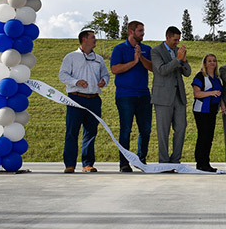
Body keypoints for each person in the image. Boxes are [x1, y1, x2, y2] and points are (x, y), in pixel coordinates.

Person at [58, 30, 109, 173]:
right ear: (84, 40)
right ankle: (70, 165)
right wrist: (76, 82)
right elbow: (62, 75)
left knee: (91, 132)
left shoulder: (98, 58)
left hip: (94, 99)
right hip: (75, 98)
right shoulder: (71, 57)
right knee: (72, 132)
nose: (95, 40)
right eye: (93, 38)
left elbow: (105, 74)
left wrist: (104, 81)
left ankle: (87, 164)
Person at [110, 20, 153, 173]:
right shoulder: (119, 49)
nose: (143, 33)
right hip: (125, 96)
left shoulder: (147, 49)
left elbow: (152, 68)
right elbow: (115, 69)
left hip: (144, 95)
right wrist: (134, 61)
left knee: (146, 130)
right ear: (131, 32)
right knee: (125, 130)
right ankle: (124, 163)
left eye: (143, 30)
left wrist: (141, 57)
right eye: (140, 31)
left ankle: (141, 161)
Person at [151, 26, 191, 165]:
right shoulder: (156, 51)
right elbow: (162, 70)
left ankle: (175, 161)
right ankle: (164, 162)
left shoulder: (177, 51)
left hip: (178, 97)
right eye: (175, 40)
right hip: (162, 97)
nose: (177, 43)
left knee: (181, 128)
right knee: (163, 132)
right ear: (167, 37)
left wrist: (184, 60)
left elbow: (187, 73)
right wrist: (177, 60)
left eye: (178, 40)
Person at [190, 54, 223, 172]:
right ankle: (200, 163)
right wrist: (211, 93)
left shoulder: (217, 77)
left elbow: (220, 93)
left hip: (212, 110)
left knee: (209, 137)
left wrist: (222, 106)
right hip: (202, 110)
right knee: (203, 136)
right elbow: (197, 94)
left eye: (214, 60)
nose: (212, 63)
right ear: (205, 63)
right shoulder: (200, 76)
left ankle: (206, 162)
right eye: (209, 61)